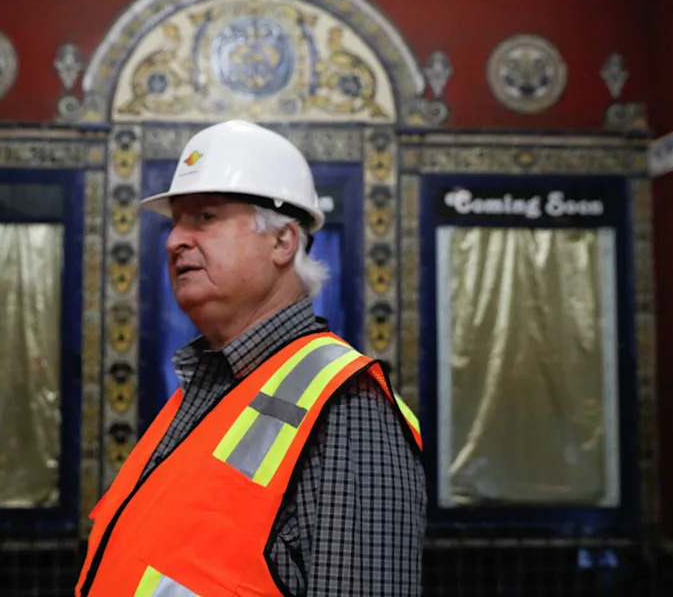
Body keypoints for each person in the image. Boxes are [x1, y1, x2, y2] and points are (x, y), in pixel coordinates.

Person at [76, 120, 427, 597]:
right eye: (176, 220)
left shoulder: (349, 410)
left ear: (282, 242)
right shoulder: (208, 387)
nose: (174, 240)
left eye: (205, 217)